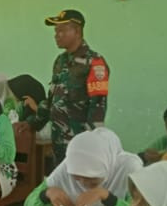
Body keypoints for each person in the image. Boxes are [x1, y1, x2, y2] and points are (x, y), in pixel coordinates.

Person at [27, 9, 109, 165]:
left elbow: (98, 108)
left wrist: (89, 144)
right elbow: (52, 100)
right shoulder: (60, 61)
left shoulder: (94, 62)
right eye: (55, 31)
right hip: (58, 141)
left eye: (62, 30)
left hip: (79, 143)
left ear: (77, 31)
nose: (56, 35)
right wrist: (32, 123)